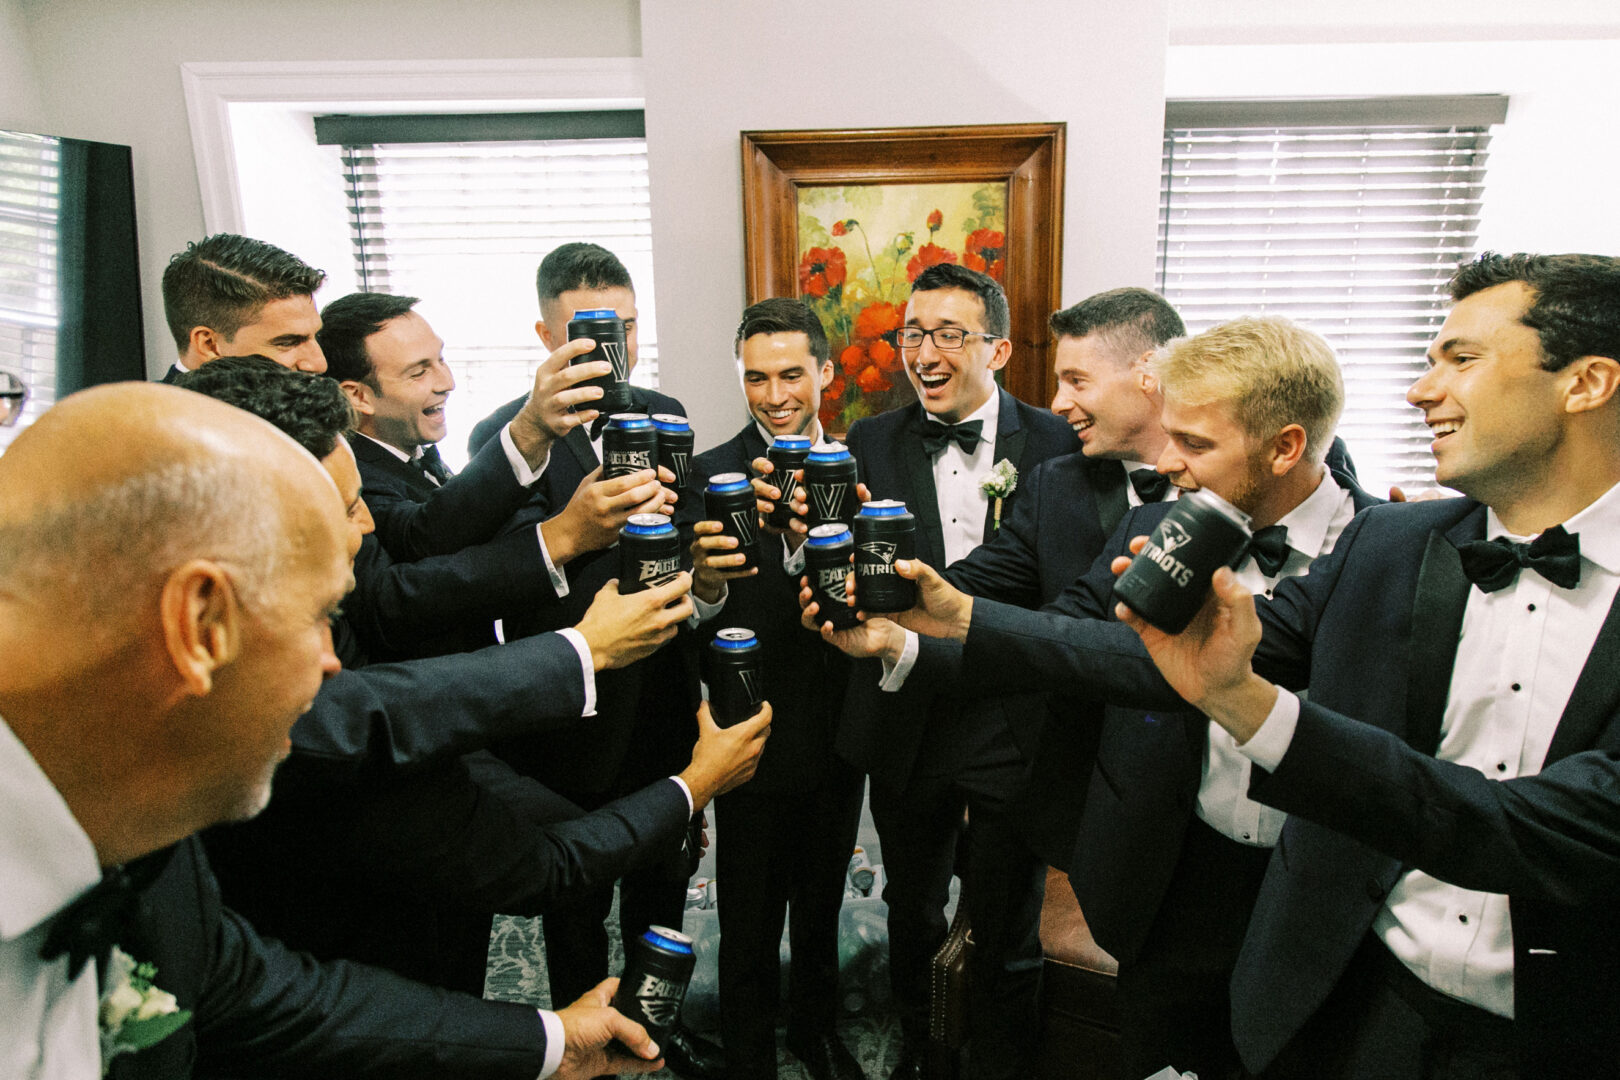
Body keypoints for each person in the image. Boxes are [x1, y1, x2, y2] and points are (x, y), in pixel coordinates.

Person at [902, 253, 1620, 1079]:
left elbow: (1535, 830)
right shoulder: (1395, 546)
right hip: (1362, 997)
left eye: (1461, 359)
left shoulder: (1361, 526)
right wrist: (960, 617)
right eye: (1429, 360)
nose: (1423, 390)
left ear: (1587, 382)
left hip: (1567, 1029)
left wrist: (1239, 700)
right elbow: (1156, 660)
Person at [0, 382, 664, 1079]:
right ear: (198, 627)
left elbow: (252, 993)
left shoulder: (151, 845)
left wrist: (554, 1042)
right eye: (315, 618)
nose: (330, 666)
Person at [176, 356, 771, 995]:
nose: (369, 527)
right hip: (341, 956)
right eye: (347, 509)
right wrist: (591, 657)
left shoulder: (297, 633)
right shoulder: (261, 698)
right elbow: (544, 863)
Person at [469, 242, 722, 1079]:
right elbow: (499, 587)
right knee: (572, 906)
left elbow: (687, 546)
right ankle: (582, 1045)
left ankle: (653, 1028)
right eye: (592, 333)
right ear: (546, 334)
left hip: (662, 710)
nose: (617, 354)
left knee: (662, 901)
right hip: (567, 724)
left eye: (628, 328)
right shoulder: (506, 438)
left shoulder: (665, 408)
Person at [823, 263, 1077, 1080]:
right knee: (913, 903)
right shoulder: (867, 442)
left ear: (997, 348)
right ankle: (922, 1047)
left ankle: (1003, 1060)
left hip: (1014, 714)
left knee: (1008, 917)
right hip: (909, 706)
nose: (923, 352)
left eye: (948, 334)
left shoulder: (1061, 443)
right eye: (912, 334)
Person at [687, 298, 865, 1080]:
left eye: (792, 373)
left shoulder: (869, 470)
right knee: (749, 910)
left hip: (838, 719)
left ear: (825, 372)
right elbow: (690, 610)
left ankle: (816, 1032)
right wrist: (706, 580)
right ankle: (749, 1051)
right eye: (756, 377)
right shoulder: (706, 472)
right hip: (747, 726)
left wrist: (806, 542)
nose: (775, 394)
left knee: (823, 901)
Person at [159, 233, 326, 379]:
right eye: (288, 343)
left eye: (316, 336)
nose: (319, 364)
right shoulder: (149, 414)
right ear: (209, 345)